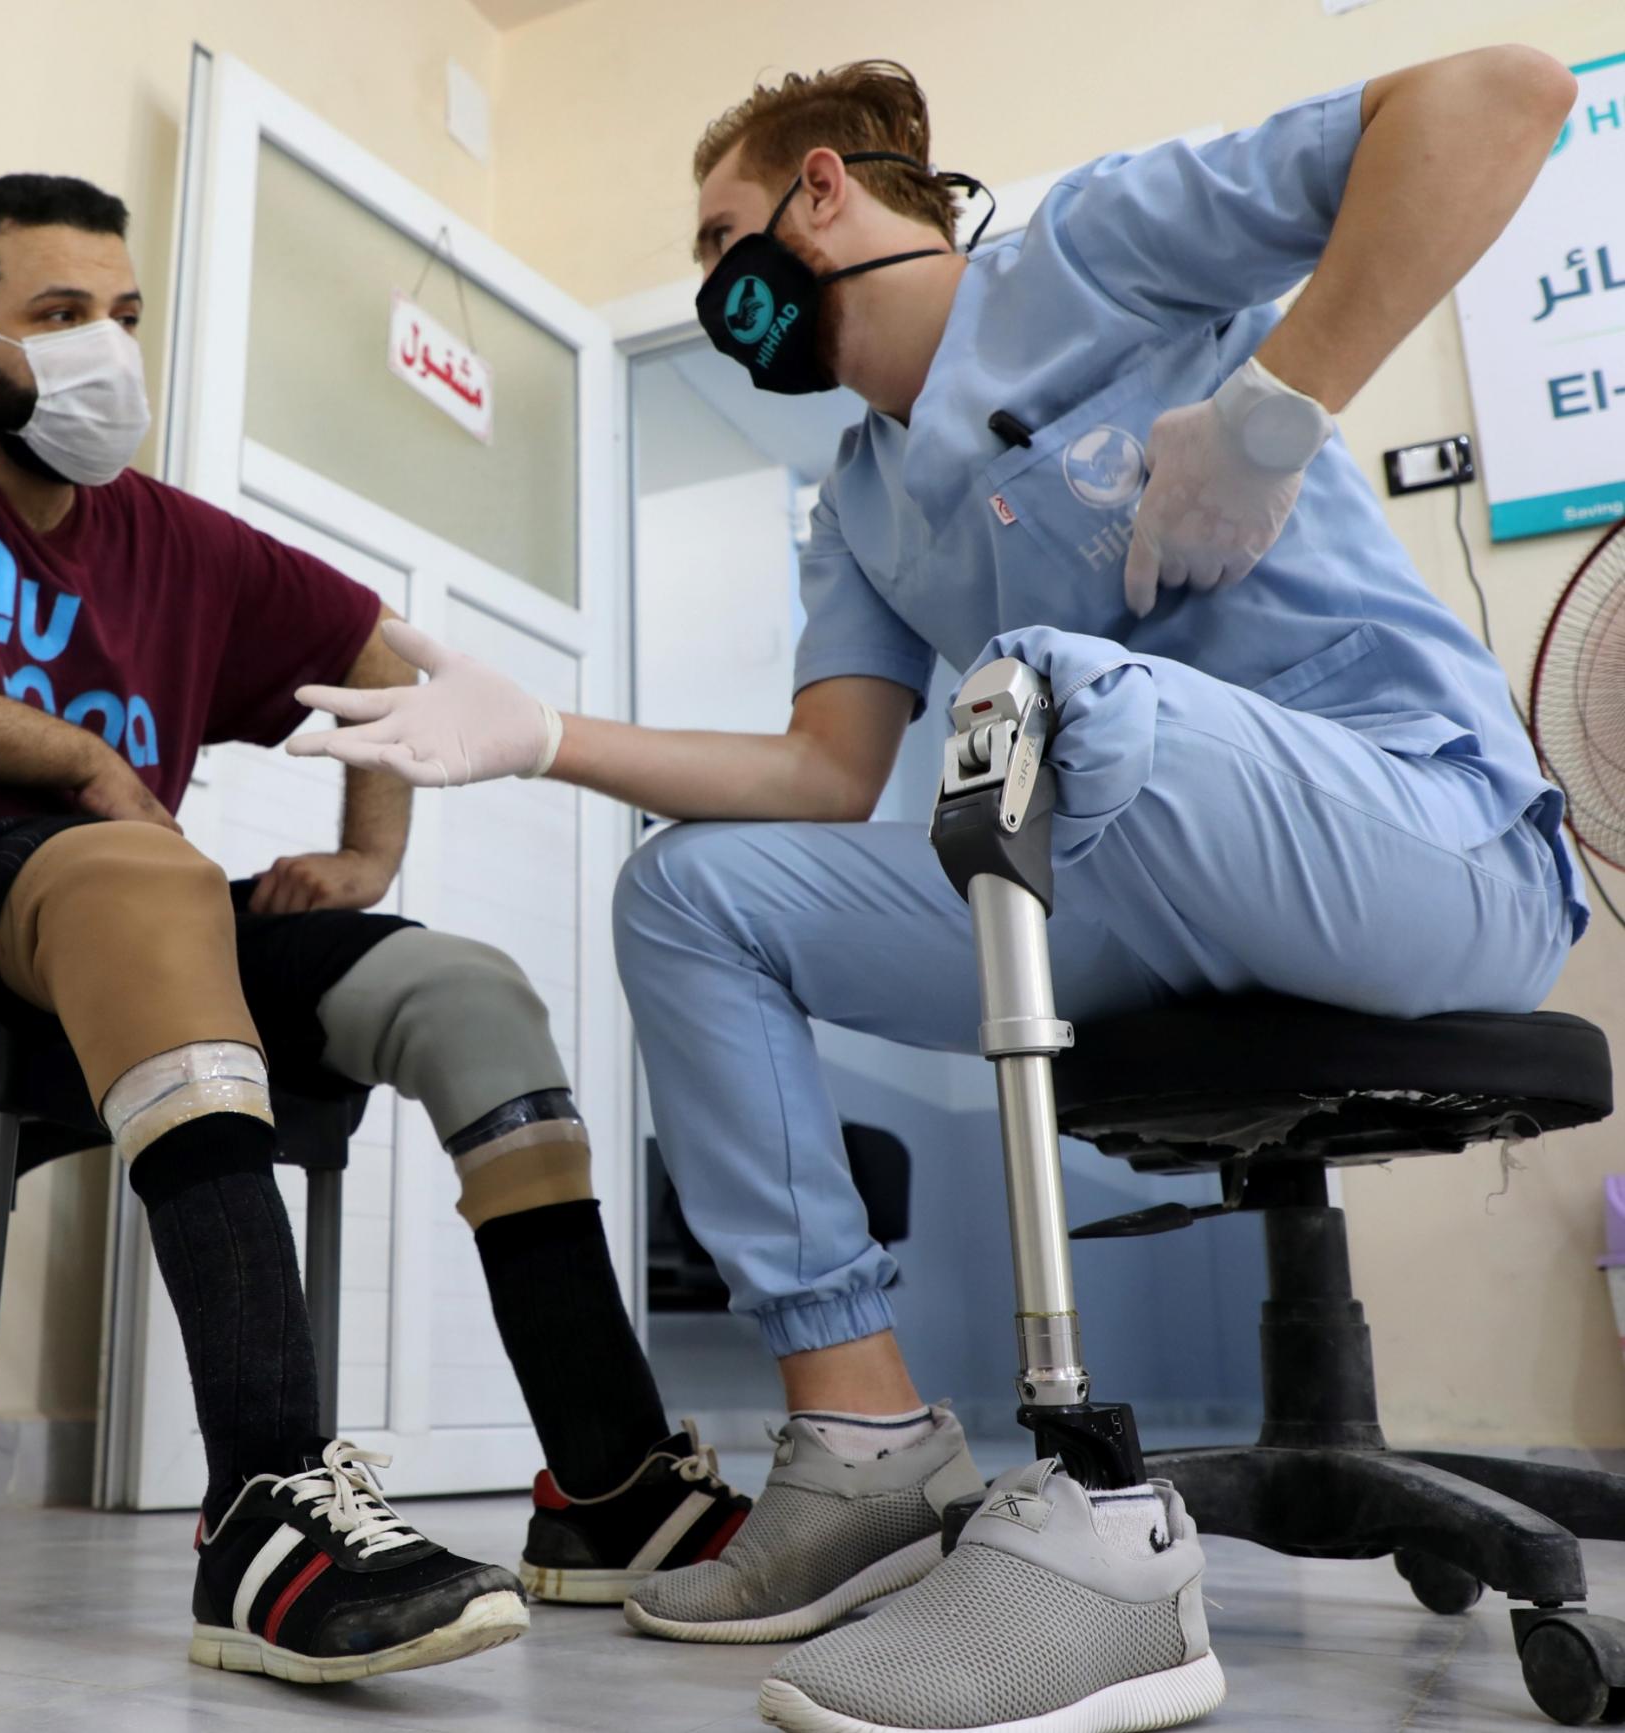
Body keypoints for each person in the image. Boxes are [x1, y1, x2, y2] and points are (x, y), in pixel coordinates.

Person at [291, 49, 1582, 1733]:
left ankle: (1096, 1509)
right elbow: (826, 775)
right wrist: (541, 732)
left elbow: (1501, 97)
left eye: (723, 235)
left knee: (1045, 685)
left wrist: (1274, 410)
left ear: (825, 188)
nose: (715, 286)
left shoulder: (1093, 250)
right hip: (1138, 890)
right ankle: (865, 1440)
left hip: (1428, 838)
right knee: (692, 896)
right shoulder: (860, 500)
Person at [0, 171, 752, 1686]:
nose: (107, 349)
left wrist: (366, 855)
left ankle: (610, 1484)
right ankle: (263, 1498)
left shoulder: (170, 539)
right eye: (58, 316)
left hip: (116, 919)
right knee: (145, 863)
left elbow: (378, 662)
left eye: (124, 314)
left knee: (465, 989)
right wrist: (73, 756)